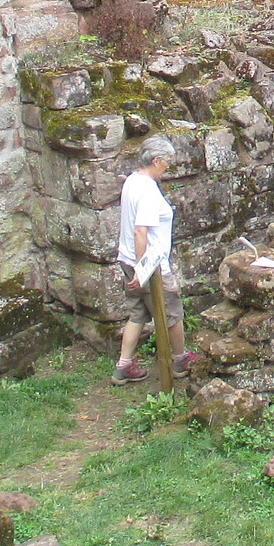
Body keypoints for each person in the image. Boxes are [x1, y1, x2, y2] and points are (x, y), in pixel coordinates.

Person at [113, 134, 202, 385]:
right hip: (151, 268)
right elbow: (140, 231)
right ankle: (180, 360)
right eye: (167, 162)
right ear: (155, 160)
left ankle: (123, 366)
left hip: (126, 260)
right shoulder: (148, 192)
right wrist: (143, 270)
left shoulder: (132, 180)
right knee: (172, 314)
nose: (167, 167)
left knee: (137, 314)